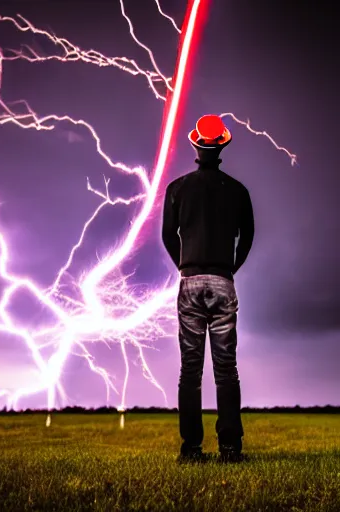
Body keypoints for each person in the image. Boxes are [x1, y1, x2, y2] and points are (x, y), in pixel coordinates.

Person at [162, 114, 255, 463]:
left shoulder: (177, 188)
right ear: (222, 145)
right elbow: (247, 237)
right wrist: (230, 268)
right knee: (226, 368)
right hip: (222, 281)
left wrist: (185, 267)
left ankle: (191, 449)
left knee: (191, 369)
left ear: (195, 145)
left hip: (189, 281)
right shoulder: (238, 190)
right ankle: (230, 449)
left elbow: (168, 236)